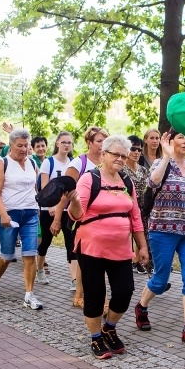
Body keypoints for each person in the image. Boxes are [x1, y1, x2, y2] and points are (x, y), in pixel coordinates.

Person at [65, 135, 149, 359]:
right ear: (104, 154)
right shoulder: (88, 179)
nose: (121, 159)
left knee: (124, 290)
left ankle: (109, 328)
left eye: (124, 155)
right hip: (91, 246)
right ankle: (95, 338)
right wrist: (73, 201)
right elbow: (76, 215)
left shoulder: (126, 181)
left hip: (121, 248)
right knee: (95, 294)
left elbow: (136, 216)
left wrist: (142, 246)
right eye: (116, 155)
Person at [134, 128, 185, 346]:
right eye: (181, 137)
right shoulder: (161, 163)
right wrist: (166, 155)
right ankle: (142, 306)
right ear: (171, 141)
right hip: (163, 230)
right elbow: (153, 182)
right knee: (160, 280)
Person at [0, 128, 43, 309]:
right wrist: (3, 214)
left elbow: (35, 188)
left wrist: (39, 207)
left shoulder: (32, 163)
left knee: (30, 255)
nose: (24, 149)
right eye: (19, 145)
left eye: (26, 146)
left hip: (30, 213)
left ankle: (29, 294)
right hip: (9, 214)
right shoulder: (2, 163)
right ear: (11, 145)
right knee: (7, 255)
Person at [64, 126, 108, 308]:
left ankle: (83, 295)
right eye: (99, 141)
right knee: (87, 259)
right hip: (81, 218)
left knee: (96, 259)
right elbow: (64, 192)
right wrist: (58, 218)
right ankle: (84, 297)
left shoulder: (109, 162)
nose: (102, 145)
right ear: (89, 143)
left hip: (103, 220)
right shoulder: (78, 164)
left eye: (106, 141)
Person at [38, 131, 74, 283]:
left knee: (70, 243)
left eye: (69, 143)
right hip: (49, 209)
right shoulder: (49, 162)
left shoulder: (73, 163)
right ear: (57, 143)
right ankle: (39, 269)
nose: (66, 145)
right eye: (63, 142)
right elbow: (44, 187)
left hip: (68, 209)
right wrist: (52, 205)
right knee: (46, 241)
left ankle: (74, 279)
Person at [122, 134, 150, 273]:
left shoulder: (143, 170)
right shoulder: (121, 169)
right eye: (133, 149)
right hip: (125, 205)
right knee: (125, 235)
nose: (136, 152)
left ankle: (138, 261)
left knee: (141, 233)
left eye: (139, 149)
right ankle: (126, 260)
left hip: (141, 205)